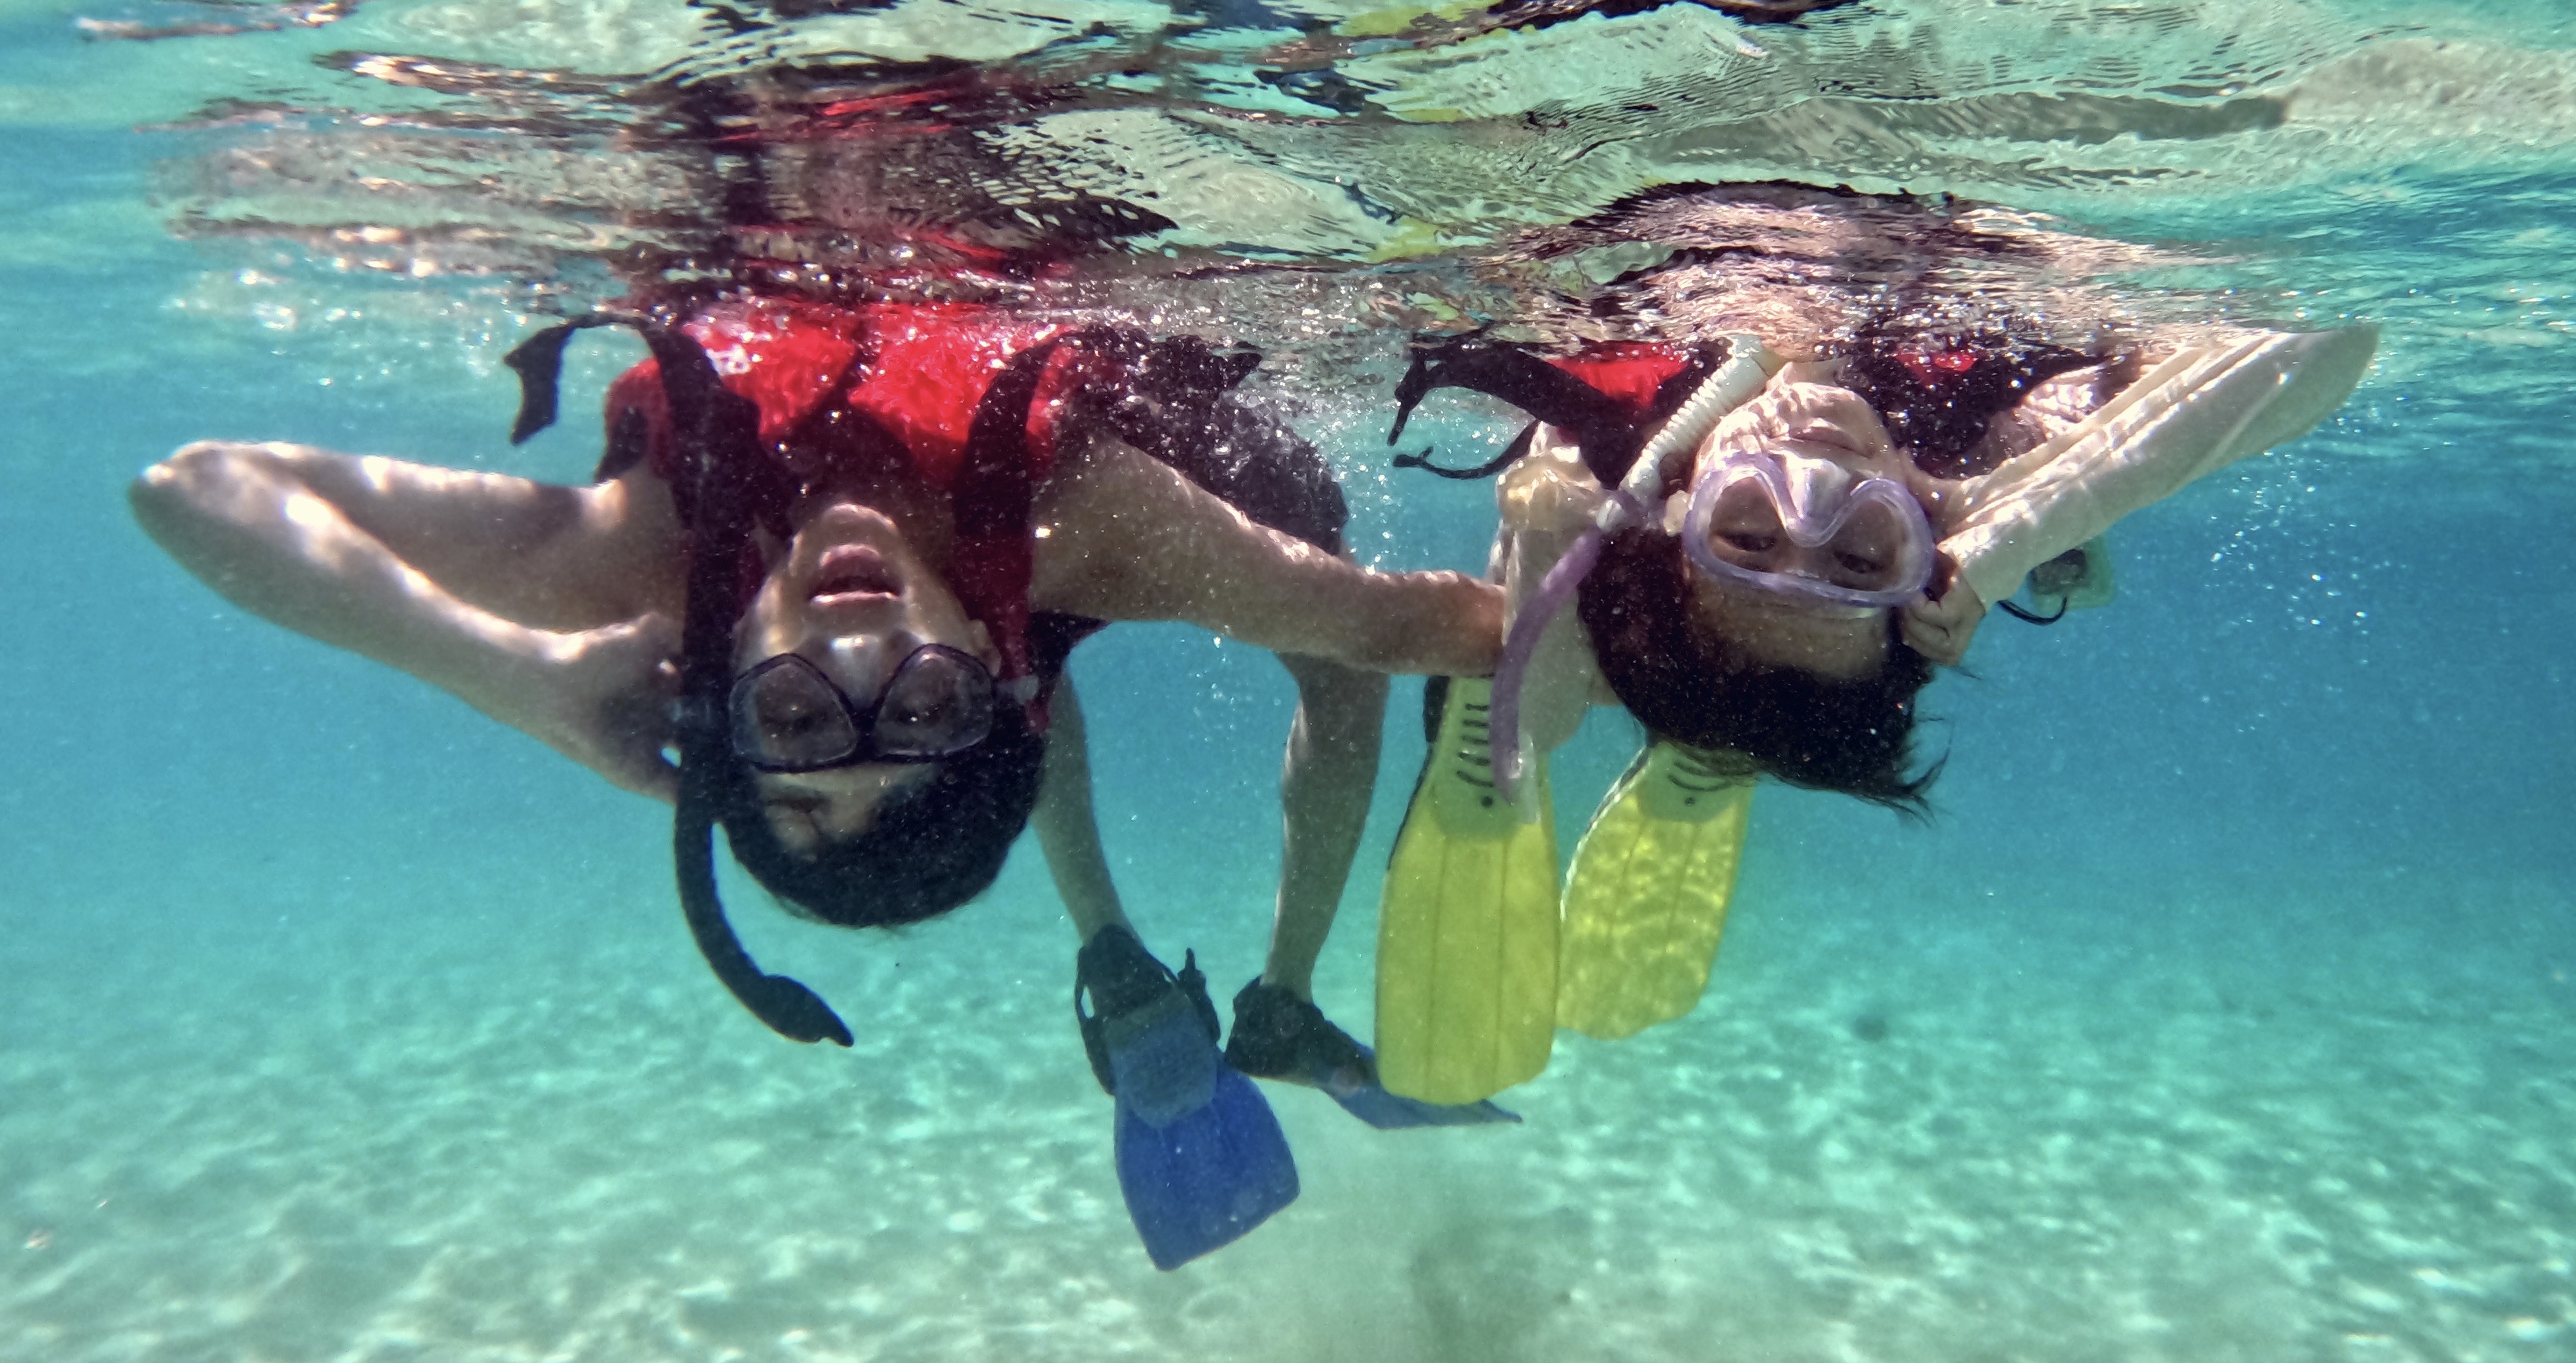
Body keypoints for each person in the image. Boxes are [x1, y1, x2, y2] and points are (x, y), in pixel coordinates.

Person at [132, 293, 1507, 1265]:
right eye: (916, 697)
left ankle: (1131, 957)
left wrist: (517, 677)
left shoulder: (655, 551)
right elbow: (1394, 622)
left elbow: (198, 486)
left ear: (723, 687)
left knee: (998, 719)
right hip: (1074, 532)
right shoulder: (1100, 525)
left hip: (991, 570)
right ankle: (1257, 985)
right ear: (983, 662)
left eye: (794, 718)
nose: (858, 648)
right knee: (1323, 652)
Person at [1369, 315, 2378, 1104]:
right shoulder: (1980, 440)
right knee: (1603, 561)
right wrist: (2018, 529)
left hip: (1619, 525)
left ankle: (1707, 718)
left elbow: (1535, 724)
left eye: (1747, 530)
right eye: (1860, 549)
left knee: (1553, 522)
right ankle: (1722, 723)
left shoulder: (1630, 439)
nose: (1809, 482)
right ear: (1920, 525)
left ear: (1684, 519)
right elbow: (2327, 341)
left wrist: (1548, 528)